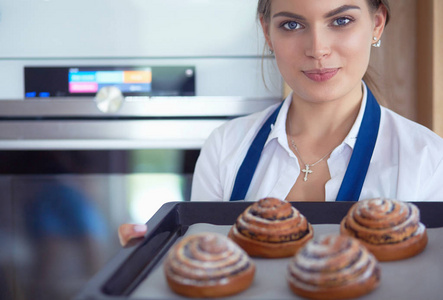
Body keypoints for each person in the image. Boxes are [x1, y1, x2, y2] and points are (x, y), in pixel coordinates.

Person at [119, 0, 443, 246]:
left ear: (376, 23)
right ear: (267, 32)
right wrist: (155, 263)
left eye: (341, 20)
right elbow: (205, 277)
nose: (318, 49)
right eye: (292, 25)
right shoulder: (225, 147)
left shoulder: (429, 161)